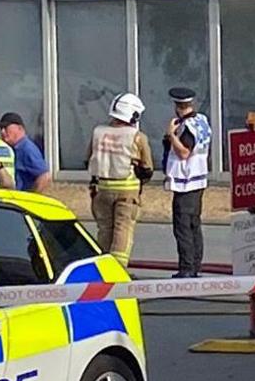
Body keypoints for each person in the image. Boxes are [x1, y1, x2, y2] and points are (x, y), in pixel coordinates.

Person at [86, 92, 154, 264]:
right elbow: (147, 169)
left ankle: (102, 267)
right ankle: (118, 269)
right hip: (127, 192)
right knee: (123, 229)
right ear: (134, 115)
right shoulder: (137, 137)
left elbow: (87, 159)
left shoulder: (98, 133)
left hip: (101, 191)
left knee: (104, 229)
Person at [163, 86, 212, 278]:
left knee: (183, 227)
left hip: (186, 182)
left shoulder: (187, 127)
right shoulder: (202, 121)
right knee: (194, 225)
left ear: (177, 105)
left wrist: (171, 136)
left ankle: (187, 268)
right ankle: (195, 266)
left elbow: (184, 152)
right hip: (198, 180)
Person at [0, 112, 52, 193]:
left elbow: (45, 176)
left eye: (6, 127)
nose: (2, 131)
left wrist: (31, 197)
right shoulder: (12, 149)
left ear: (20, 128)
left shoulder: (27, 149)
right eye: (1, 128)